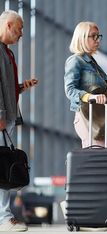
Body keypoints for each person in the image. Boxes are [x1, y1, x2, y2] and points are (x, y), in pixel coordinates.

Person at [0, 10, 38, 232]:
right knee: (4, 169)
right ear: (8, 25)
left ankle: (4, 217)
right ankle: (4, 218)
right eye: (20, 28)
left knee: (4, 169)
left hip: (8, 118)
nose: (22, 33)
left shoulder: (7, 52)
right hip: (2, 118)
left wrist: (22, 87)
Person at [64, 21, 107, 148]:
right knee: (98, 157)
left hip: (98, 117)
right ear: (82, 38)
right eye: (93, 36)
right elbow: (70, 90)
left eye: (99, 36)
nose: (97, 40)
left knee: (104, 158)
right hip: (86, 116)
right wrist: (91, 97)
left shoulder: (93, 64)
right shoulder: (75, 61)